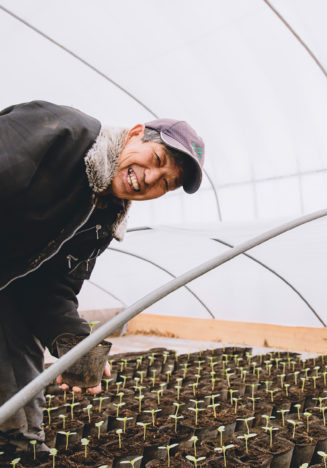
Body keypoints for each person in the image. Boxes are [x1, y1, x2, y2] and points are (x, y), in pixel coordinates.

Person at [0, 100, 205, 451]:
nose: (150, 178)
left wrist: (76, 345)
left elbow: (51, 289)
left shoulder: (101, 220)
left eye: (166, 184)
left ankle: (16, 443)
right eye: (157, 160)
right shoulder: (65, 132)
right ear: (137, 133)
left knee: (16, 346)